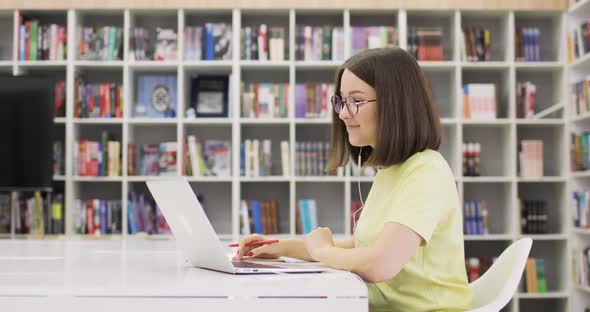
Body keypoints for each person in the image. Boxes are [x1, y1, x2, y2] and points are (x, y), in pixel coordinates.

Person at [234, 47, 473, 311]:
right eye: (341, 101)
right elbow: (365, 247)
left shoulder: (426, 171)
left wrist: (321, 252)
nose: (343, 113)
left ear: (395, 105)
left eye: (355, 101)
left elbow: (379, 264)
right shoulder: (391, 170)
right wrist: (281, 247)